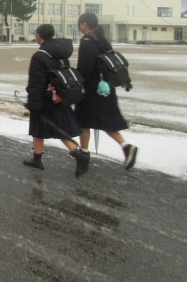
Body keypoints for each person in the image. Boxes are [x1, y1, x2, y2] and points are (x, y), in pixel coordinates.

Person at [23, 24, 89, 177]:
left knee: (51, 129)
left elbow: (36, 82)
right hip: (59, 96)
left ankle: (77, 154)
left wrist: (33, 103)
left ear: (39, 35)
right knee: (47, 129)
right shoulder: (61, 54)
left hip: (44, 99)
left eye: (36, 33)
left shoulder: (39, 56)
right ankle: (37, 159)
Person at [75, 13, 138, 170]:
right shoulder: (102, 40)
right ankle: (126, 146)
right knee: (106, 121)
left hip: (91, 90)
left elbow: (85, 68)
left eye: (80, 24)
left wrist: (77, 82)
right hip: (106, 88)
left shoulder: (87, 42)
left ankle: (84, 154)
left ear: (84, 24)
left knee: (83, 121)